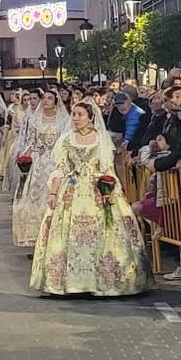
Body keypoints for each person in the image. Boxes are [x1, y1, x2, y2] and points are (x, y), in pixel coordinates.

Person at [31, 99, 148, 298]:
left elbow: (107, 168)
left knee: (105, 234)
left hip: (97, 190)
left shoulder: (101, 139)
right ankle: (69, 282)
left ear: (91, 117)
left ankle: (103, 280)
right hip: (72, 189)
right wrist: (52, 192)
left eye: (80, 115)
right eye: (74, 115)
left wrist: (111, 190)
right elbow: (60, 168)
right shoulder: (67, 140)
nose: (76, 118)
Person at [12, 88, 68, 250]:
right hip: (40, 163)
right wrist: (26, 156)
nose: (46, 101)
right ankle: (37, 238)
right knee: (35, 199)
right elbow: (30, 141)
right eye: (44, 98)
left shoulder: (64, 120)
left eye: (50, 98)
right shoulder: (35, 120)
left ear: (56, 102)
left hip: (57, 163)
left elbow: (65, 142)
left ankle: (57, 237)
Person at [3, 89, 40, 206]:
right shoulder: (26, 114)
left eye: (33, 99)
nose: (30, 102)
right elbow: (24, 131)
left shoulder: (41, 114)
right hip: (24, 143)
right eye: (27, 99)